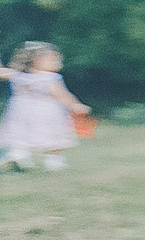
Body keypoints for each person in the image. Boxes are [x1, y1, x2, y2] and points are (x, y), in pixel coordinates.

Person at [2, 42, 87, 172]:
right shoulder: (50, 78)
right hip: (49, 113)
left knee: (21, 134)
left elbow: (2, 73)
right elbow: (61, 95)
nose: (58, 63)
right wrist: (75, 105)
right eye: (53, 60)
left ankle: (19, 155)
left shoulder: (18, 75)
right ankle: (53, 160)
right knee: (54, 136)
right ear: (36, 61)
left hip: (20, 113)